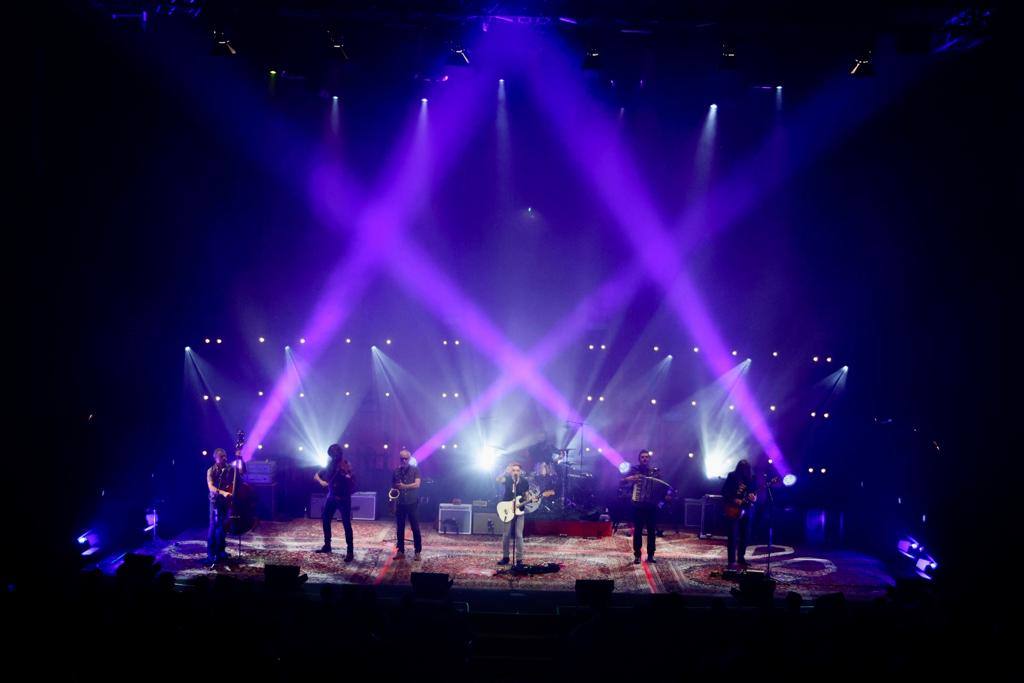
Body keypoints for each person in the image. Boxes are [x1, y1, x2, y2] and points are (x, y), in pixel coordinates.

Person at [314, 444, 355, 561]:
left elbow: (352, 483)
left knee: (346, 523)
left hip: (343, 498)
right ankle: (327, 545)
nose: (334, 457)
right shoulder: (330, 465)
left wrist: (347, 477)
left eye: (336, 455)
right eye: (332, 455)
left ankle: (350, 551)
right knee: (325, 519)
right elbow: (316, 476)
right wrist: (321, 482)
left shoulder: (345, 464)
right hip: (331, 497)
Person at [622, 449, 659, 564]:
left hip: (651, 506)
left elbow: (660, 485)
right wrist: (629, 479)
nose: (644, 458)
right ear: (639, 459)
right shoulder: (634, 470)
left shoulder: (654, 472)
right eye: (642, 457)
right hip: (638, 505)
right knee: (637, 531)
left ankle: (651, 555)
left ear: (649, 459)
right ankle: (637, 555)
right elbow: (621, 481)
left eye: (646, 457)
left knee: (652, 531)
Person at [721, 459, 757, 569]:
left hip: (747, 509)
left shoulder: (752, 478)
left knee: (745, 535)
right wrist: (734, 499)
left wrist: (754, 498)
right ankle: (731, 561)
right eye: (742, 467)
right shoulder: (732, 476)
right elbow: (724, 491)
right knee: (732, 535)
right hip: (733, 509)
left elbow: (754, 493)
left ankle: (741, 558)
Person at [496, 462, 530, 567]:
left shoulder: (524, 482)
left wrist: (528, 499)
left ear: (520, 472)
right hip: (507, 508)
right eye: (513, 470)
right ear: (511, 471)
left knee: (519, 535)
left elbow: (526, 496)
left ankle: (519, 559)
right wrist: (505, 472)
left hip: (519, 509)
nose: (515, 472)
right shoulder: (507, 479)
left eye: (517, 470)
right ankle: (505, 557)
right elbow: (498, 480)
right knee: (506, 534)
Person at [206, 448, 235, 566]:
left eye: (225, 456)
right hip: (215, 502)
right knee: (213, 526)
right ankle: (211, 553)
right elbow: (211, 487)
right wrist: (223, 492)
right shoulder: (211, 470)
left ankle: (221, 550)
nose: (225, 458)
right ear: (216, 458)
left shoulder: (230, 469)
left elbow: (239, 475)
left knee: (223, 526)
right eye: (222, 456)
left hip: (226, 501)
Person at [392, 449, 422, 561]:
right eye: (402, 458)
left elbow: (417, 484)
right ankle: (400, 551)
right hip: (400, 502)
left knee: (415, 528)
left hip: (412, 502)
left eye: (406, 458)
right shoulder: (396, 471)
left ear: (409, 459)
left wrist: (404, 486)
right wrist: (393, 502)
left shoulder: (415, 470)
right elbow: (394, 486)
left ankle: (417, 552)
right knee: (400, 528)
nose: (404, 460)